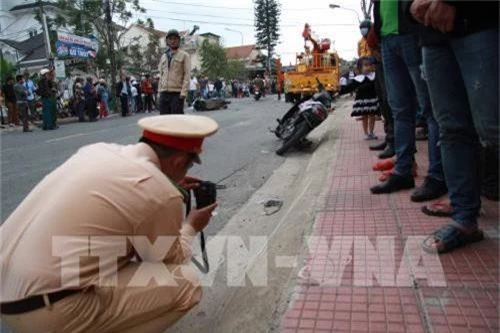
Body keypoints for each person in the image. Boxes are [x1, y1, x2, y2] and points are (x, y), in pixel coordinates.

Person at [0, 115, 219, 332]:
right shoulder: (160, 192)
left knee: (112, 248)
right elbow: (170, 259)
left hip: (8, 295)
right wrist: (191, 226)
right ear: (179, 160)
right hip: (47, 312)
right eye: (187, 167)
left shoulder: (96, 151)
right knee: (186, 284)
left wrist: (167, 181)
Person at [408, 0, 499, 253]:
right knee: (451, 128)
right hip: (432, 34)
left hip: (480, 18)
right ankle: (464, 219)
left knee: (493, 125)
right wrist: (411, 6)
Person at [369, 0, 446, 205]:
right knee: (400, 110)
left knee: (430, 109)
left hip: (412, 33)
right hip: (387, 38)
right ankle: (403, 170)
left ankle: (437, 175)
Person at [338, 57, 381, 140]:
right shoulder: (357, 79)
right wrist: (340, 92)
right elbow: (349, 88)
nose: (368, 67)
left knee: (372, 116)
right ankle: (366, 133)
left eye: (369, 65)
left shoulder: (374, 76)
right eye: (365, 65)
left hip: (372, 100)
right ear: (360, 68)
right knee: (364, 117)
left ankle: (371, 132)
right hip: (362, 101)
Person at [158, 29, 190, 114]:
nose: (173, 41)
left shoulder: (184, 55)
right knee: (164, 121)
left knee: (176, 121)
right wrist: (159, 92)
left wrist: (183, 93)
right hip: (164, 93)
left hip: (177, 93)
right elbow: (161, 75)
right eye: (170, 39)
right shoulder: (163, 56)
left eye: (175, 39)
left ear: (179, 41)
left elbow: (187, 75)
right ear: (167, 41)